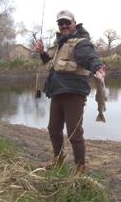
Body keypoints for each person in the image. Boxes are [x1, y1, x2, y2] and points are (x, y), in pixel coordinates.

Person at [35, 9, 105, 174]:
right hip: (57, 92)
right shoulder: (60, 43)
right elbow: (49, 61)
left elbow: (90, 58)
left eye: (67, 22)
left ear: (75, 23)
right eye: (61, 23)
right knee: (53, 129)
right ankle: (58, 160)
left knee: (74, 132)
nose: (64, 25)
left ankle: (80, 166)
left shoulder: (81, 43)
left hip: (74, 94)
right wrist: (42, 53)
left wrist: (98, 68)